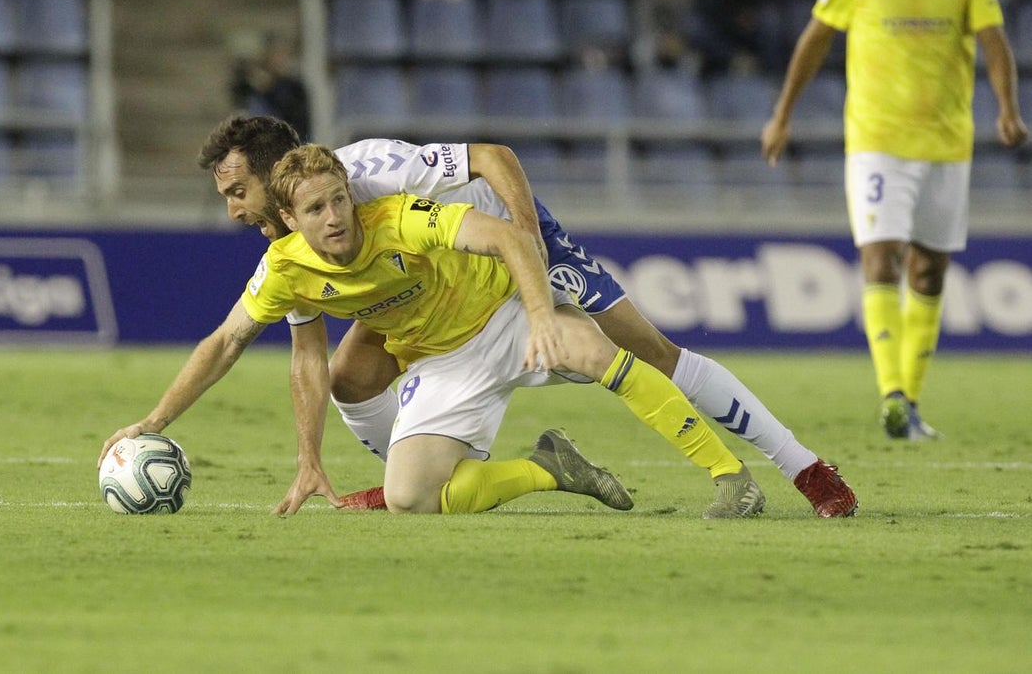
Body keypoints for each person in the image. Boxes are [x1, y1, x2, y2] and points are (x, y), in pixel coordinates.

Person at [199, 115, 857, 518]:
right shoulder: (293, 237)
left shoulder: (372, 172)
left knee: (650, 350)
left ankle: (804, 467)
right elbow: (306, 350)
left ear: (271, 177)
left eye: (236, 191)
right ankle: (422, 470)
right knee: (351, 376)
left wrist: (526, 237)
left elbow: (493, 158)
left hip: (507, 241)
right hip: (436, 289)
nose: (233, 207)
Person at [761, 0, 1028, 440]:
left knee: (929, 272)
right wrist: (782, 114)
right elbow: (816, 37)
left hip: (946, 143)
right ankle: (892, 396)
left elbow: (993, 38)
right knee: (880, 258)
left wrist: (1008, 108)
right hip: (877, 140)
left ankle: (911, 403)